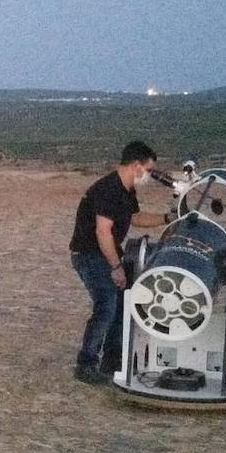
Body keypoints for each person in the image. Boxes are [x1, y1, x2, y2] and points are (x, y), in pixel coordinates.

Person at [69, 141, 174, 384]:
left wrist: (168, 218)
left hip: (105, 253)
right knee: (106, 304)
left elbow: (136, 218)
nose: (149, 175)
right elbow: (103, 232)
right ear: (136, 165)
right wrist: (116, 267)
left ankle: (112, 360)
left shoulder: (126, 191)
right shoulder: (108, 190)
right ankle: (86, 363)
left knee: (121, 303)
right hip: (89, 254)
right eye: (148, 170)